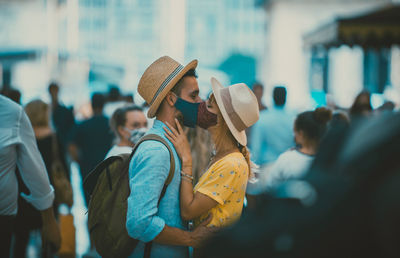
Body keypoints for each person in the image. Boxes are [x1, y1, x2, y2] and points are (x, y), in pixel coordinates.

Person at [126, 56, 213, 258]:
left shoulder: (171, 144)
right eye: (193, 96)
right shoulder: (157, 151)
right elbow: (139, 222)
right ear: (172, 99)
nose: (200, 102)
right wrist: (190, 238)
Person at [164, 77, 259, 230]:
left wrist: (187, 160)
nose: (200, 105)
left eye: (209, 105)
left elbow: (188, 211)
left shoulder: (231, 164)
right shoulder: (221, 156)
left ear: (221, 120)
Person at [0, 95, 61, 258]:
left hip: (13, 206)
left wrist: (49, 219)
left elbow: (34, 167)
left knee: (21, 238)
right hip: (25, 195)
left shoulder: (13, 114)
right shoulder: (53, 136)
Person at [12, 99, 69, 257]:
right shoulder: (54, 138)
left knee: (20, 239)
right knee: (48, 237)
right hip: (50, 192)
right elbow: (64, 167)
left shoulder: (20, 137)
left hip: (23, 192)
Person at [266, 107, 332, 189]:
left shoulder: (287, 159)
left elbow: (270, 186)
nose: (293, 135)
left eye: (294, 131)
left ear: (301, 134)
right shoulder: (329, 161)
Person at [68, 92, 113, 206]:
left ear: (92, 105)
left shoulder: (83, 124)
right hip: (108, 167)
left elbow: (72, 147)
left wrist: (79, 161)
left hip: (87, 168)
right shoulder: (111, 124)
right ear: (104, 104)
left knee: (90, 203)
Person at [248, 86, 295, 194]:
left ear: (272, 97)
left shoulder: (263, 119)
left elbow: (256, 149)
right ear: (286, 97)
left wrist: (254, 172)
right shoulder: (293, 118)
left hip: (268, 170)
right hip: (290, 169)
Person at [48, 82, 76, 155]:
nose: (54, 93)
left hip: (63, 147)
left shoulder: (65, 111)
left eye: (55, 91)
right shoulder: (46, 110)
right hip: (50, 146)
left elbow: (71, 129)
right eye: (52, 91)